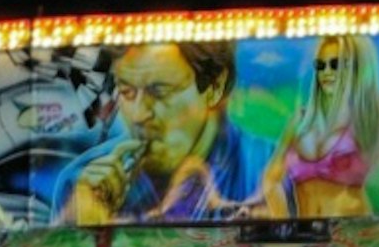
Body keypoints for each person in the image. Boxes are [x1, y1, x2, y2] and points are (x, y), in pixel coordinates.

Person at [58, 44, 257, 224]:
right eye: (126, 92)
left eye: (159, 92)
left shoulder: (267, 170)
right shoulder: (81, 182)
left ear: (214, 86)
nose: (138, 115)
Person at [261, 36, 379, 220]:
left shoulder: (371, 120)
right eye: (321, 65)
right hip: (310, 239)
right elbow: (270, 180)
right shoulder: (301, 122)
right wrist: (282, 224)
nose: (327, 72)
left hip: (355, 240)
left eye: (335, 64)